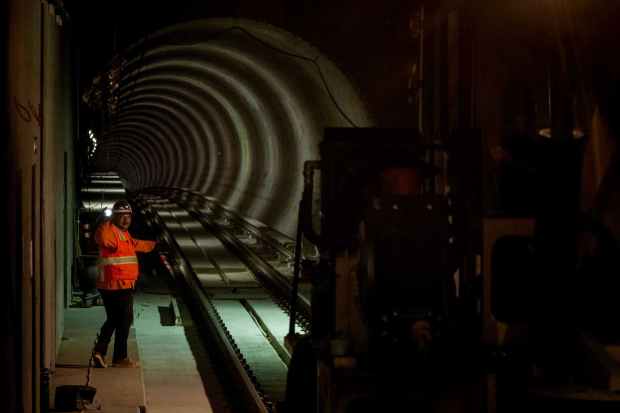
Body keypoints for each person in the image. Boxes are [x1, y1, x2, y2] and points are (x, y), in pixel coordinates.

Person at [91, 200, 156, 368]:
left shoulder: (123, 234)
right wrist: (107, 222)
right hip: (115, 284)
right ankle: (119, 358)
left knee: (115, 319)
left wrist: (155, 245)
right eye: (122, 216)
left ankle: (100, 352)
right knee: (124, 320)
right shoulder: (109, 231)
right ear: (114, 216)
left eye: (128, 216)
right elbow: (103, 239)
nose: (126, 220)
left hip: (120, 284)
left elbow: (136, 244)